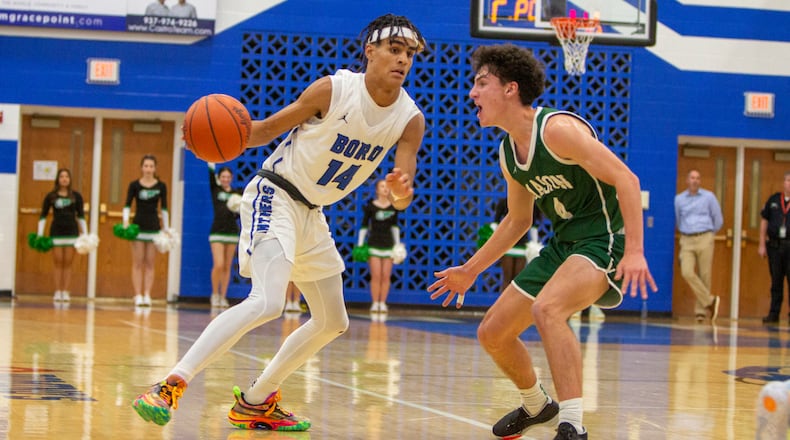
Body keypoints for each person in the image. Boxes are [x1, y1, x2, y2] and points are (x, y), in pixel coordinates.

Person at [132, 13, 426, 431]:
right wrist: (208, 140)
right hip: (276, 194)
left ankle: (256, 400)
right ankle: (169, 384)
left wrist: (399, 189)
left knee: (332, 321)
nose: (403, 60)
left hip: (312, 214)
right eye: (395, 50)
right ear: (371, 52)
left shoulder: (410, 119)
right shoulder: (334, 89)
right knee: (268, 301)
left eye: (409, 54)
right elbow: (264, 130)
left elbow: (401, 198)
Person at [428, 44, 657, 440]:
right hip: (563, 244)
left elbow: (628, 180)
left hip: (603, 239)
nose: (472, 94)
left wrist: (635, 250)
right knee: (493, 332)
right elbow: (518, 221)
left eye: (481, 84)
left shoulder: (557, 131)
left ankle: (572, 424)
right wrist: (469, 270)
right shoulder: (508, 153)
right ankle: (537, 405)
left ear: (510, 89)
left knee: (548, 310)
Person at [674, 169, 723, 323]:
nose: (695, 180)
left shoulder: (709, 197)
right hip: (687, 238)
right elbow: (678, 218)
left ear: (700, 181)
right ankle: (710, 301)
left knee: (705, 274)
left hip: (705, 236)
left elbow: (718, 219)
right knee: (687, 271)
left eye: (698, 178)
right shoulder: (679, 199)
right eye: (692, 178)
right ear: (687, 180)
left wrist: (709, 235)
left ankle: (701, 311)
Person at [124, 154, 169, 307]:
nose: (148, 169)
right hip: (138, 227)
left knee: (150, 263)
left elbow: (164, 208)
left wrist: (166, 228)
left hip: (153, 227)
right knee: (137, 262)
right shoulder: (134, 185)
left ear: (155, 168)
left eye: (151, 166)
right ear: (142, 168)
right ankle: (137, 295)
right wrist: (125, 222)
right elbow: (127, 205)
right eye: (146, 166)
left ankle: (147, 294)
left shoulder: (161, 186)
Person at [37, 168, 88, 302]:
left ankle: (65, 291)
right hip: (57, 232)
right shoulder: (51, 196)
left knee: (68, 263)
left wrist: (86, 234)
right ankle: (57, 291)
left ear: (70, 179)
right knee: (58, 262)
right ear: (58, 179)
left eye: (67, 176)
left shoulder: (76, 196)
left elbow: (81, 216)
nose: (64, 179)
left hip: (72, 232)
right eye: (61, 176)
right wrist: (40, 234)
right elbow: (43, 215)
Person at [356, 179, 402, 313]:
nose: (385, 188)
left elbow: (395, 227)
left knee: (386, 275)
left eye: (387, 186)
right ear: (377, 190)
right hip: (373, 244)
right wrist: (360, 244)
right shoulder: (371, 207)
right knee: (376, 275)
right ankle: (375, 303)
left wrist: (397, 245)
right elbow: (364, 226)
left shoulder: (393, 207)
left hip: (388, 245)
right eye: (382, 186)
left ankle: (383, 303)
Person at [758, 171, 790, 324]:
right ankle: (773, 313)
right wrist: (762, 243)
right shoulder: (774, 200)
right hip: (775, 247)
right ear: (784, 182)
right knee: (776, 282)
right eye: (788, 180)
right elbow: (764, 220)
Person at [208, 163, 242, 308]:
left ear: (232, 178)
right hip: (217, 231)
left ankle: (223, 296)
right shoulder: (216, 189)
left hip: (232, 232)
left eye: (228, 177)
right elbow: (210, 172)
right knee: (219, 264)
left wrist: (236, 210)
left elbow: (240, 214)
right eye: (223, 176)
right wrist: (210, 159)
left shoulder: (237, 194)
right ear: (219, 178)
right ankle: (214, 294)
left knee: (227, 266)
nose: (225, 179)